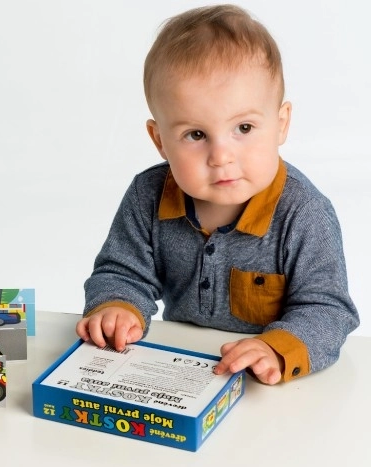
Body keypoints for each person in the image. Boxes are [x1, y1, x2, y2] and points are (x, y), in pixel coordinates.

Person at [75, 4, 359, 385]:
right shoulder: (149, 195)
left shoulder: (303, 212)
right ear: (160, 141)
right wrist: (117, 306)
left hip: (268, 383)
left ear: (280, 124)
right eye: (196, 135)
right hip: (182, 371)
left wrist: (277, 348)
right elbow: (122, 271)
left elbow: (328, 309)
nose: (221, 156)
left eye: (243, 127)